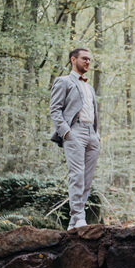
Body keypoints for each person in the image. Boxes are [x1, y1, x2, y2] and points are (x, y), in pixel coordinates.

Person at [49, 48, 100, 229]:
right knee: (76, 175)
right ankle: (78, 216)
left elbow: (94, 112)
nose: (88, 62)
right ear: (73, 59)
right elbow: (55, 110)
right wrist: (66, 133)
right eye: (84, 59)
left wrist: (97, 135)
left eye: (89, 59)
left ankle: (74, 222)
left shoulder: (89, 87)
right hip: (74, 131)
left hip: (92, 134)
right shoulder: (63, 81)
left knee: (87, 179)